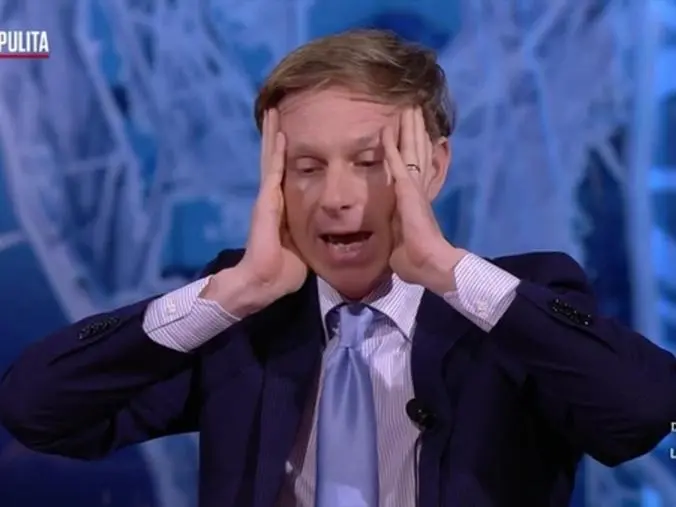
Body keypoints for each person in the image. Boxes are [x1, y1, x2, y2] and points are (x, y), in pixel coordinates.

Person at [1, 29, 675, 507]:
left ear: (434, 167)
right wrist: (232, 292)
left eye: (372, 162)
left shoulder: (518, 308)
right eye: (306, 167)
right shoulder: (244, 322)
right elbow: (36, 409)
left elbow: (644, 412)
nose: (337, 197)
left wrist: (448, 270)